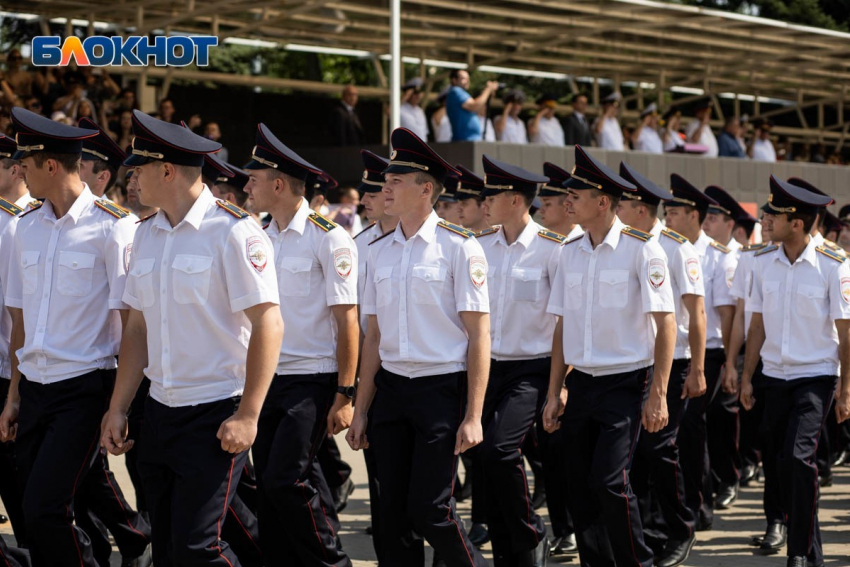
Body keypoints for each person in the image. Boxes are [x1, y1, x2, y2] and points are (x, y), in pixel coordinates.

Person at [100, 110, 283, 566]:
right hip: (160, 410)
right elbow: (138, 328)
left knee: (198, 549)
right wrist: (119, 406)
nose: (133, 181)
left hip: (215, 410)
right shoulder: (146, 234)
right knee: (165, 546)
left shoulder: (233, 231)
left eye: (139, 170)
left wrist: (248, 415)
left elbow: (268, 323)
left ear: (166, 170)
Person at [347, 127, 490, 567]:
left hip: (440, 391)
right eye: (384, 182)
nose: (384, 189)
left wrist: (473, 415)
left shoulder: (459, 248)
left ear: (425, 189)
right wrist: (361, 408)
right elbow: (373, 336)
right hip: (391, 390)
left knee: (431, 508)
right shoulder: (377, 250)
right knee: (390, 517)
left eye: (395, 182)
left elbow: (479, 335)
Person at [0, 107, 136, 565]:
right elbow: (19, 319)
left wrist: (118, 406)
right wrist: (15, 395)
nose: (19, 170)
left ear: (50, 165)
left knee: (45, 507)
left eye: (25, 162)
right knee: (35, 508)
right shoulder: (25, 227)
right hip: (35, 386)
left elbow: (130, 323)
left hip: (83, 387)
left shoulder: (113, 226)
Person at [542, 145, 676, 567]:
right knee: (579, 486)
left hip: (626, 382)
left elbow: (666, 324)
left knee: (610, 482)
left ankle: (639, 562)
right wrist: (553, 391)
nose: (567, 202)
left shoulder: (642, 249)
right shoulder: (570, 250)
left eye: (576, 196)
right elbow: (562, 325)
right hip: (582, 383)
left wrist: (659, 392)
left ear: (602, 201)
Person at [241, 123, 357, 566]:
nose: (247, 185)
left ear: (278, 183)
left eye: (254, 178)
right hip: (268, 378)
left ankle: (332, 562)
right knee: (270, 488)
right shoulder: (261, 237)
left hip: (311, 379)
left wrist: (345, 392)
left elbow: (348, 320)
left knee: (287, 480)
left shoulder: (329, 237)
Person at [740, 175, 850, 567]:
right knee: (780, 464)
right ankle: (810, 551)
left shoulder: (833, 264)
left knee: (798, 459)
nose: (767, 219)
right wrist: (748, 375)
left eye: (775, 214)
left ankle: (798, 553)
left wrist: (847, 389)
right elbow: (756, 325)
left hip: (816, 377)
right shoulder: (763, 262)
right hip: (774, 377)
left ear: (798, 224)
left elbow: (845, 330)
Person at [616, 162, 706, 567]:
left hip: (674, 361)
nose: (617, 206)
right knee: (636, 451)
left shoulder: (675, 247)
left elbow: (696, 312)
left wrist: (700, 369)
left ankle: (680, 526)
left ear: (640, 207)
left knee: (659, 446)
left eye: (624, 201)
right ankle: (647, 529)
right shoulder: (625, 244)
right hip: (635, 362)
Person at [473, 155, 558, 565]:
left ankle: (531, 531)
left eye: (492, 195)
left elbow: (564, 322)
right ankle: (512, 551)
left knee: (501, 452)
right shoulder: (479, 247)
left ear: (516, 200)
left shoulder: (551, 250)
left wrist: (561, 383)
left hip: (531, 368)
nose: (483, 201)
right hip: (484, 366)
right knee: (481, 460)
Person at [662, 174, 738, 531]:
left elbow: (723, 316)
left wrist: (718, 367)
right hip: (672, 353)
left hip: (708, 355)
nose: (667, 218)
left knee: (691, 431)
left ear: (693, 214)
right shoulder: (663, 247)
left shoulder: (718, 257)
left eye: (673, 212)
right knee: (672, 435)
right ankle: (674, 506)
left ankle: (699, 504)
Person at [0, 134, 31, 549]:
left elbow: (17, 310)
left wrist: (13, 387)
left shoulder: (20, 224)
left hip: (12, 369)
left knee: (20, 484)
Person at [446, 70, 500, 142]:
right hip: (464, 141)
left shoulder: (460, 94)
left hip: (470, 140)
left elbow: (480, 108)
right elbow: (474, 105)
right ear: (454, 80)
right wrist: (488, 89)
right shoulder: (456, 91)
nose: (468, 81)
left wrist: (489, 93)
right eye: (463, 78)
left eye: (468, 79)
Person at [537, 163, 583, 240]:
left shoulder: (584, 244)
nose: (541, 210)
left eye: (547, 204)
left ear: (567, 206)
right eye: (542, 204)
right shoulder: (539, 242)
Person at [456, 165, 490, 234]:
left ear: (484, 205)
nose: (458, 209)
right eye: (458, 203)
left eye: (464, 203)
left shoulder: (500, 239)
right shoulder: (457, 238)